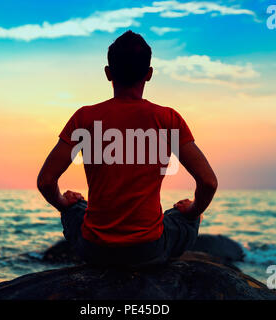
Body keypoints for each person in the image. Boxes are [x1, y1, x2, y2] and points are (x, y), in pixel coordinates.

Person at [37, 30, 217, 268]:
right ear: (149, 74)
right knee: (184, 216)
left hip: (95, 250)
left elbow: (46, 181)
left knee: (76, 206)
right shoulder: (168, 119)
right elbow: (208, 183)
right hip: (147, 251)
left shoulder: (84, 118)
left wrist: (63, 203)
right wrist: (193, 210)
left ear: (108, 73)